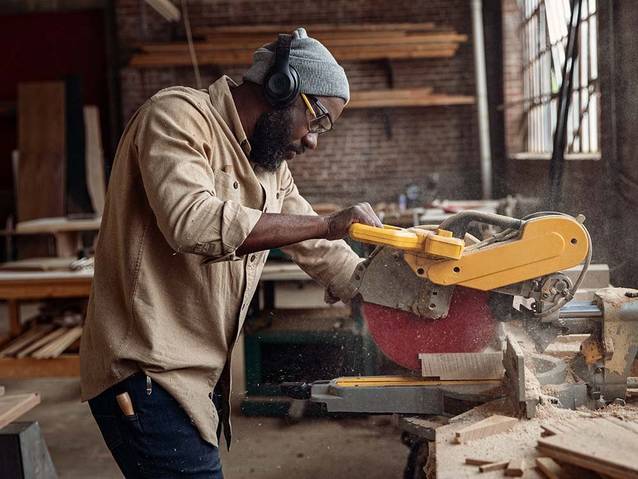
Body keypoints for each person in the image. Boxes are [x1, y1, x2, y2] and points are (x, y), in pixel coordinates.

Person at [80, 27, 381, 478]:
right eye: (317, 119)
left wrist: (377, 285)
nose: (314, 140)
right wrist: (329, 222)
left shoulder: (268, 165)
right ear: (283, 87)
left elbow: (315, 242)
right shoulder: (176, 116)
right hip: (144, 370)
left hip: (193, 373)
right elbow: (192, 221)